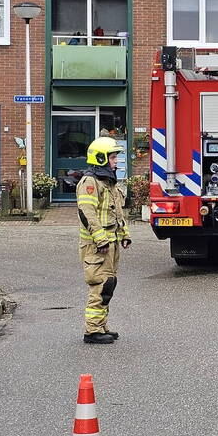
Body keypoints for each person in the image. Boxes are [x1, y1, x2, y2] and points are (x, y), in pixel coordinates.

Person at [77, 137, 132, 344]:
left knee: (108, 284)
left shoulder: (108, 183)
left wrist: (124, 234)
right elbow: (87, 213)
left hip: (110, 244)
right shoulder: (89, 183)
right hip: (96, 246)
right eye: (113, 157)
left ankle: (101, 325)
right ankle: (92, 331)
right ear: (100, 158)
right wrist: (100, 239)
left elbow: (116, 212)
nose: (116, 161)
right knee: (100, 284)